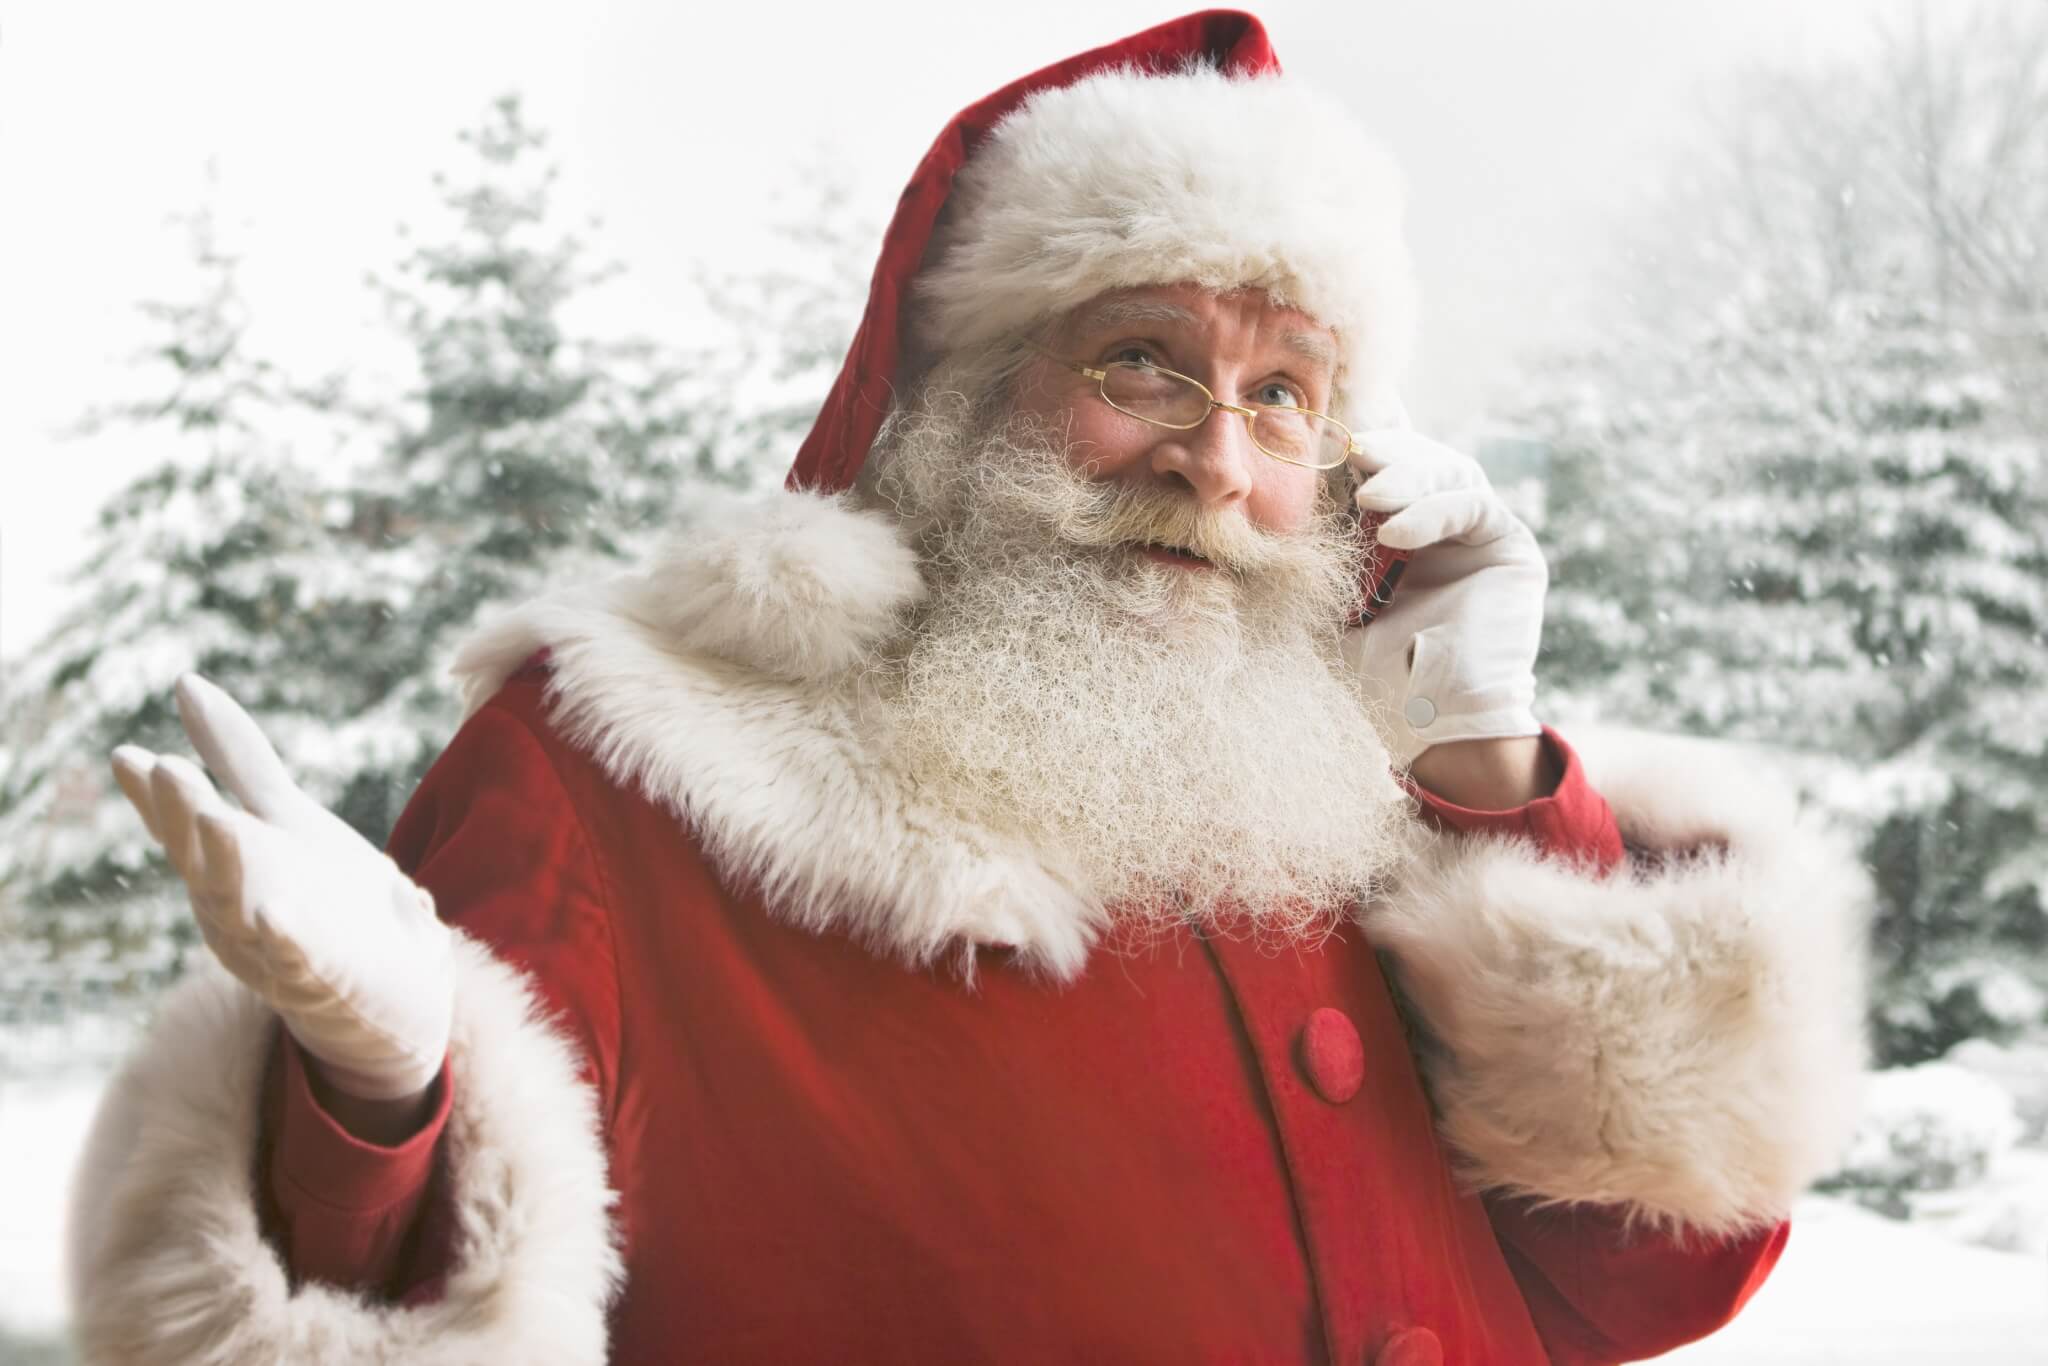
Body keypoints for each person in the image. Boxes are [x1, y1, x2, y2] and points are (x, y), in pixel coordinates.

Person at [67, 12, 1869, 1365]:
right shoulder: (631, 769)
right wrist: (372, 1095)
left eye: (1281, 393)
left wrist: (1487, 758)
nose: (1211, 457)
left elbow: (1654, 1270)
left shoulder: (1360, 769)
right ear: (946, 399)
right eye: (1142, 360)